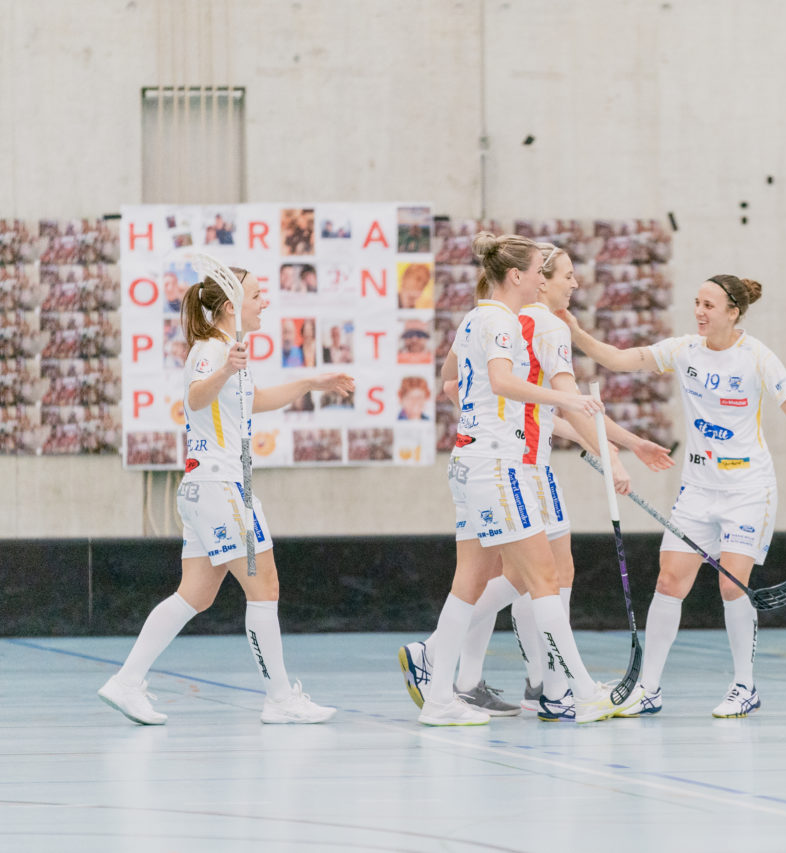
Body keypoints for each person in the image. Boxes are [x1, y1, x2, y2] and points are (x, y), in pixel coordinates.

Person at [400, 242, 673, 722]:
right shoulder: (513, 322)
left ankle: (442, 690)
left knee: (474, 580)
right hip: (504, 465)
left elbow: (449, 380)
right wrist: (575, 415)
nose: (570, 282)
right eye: (558, 273)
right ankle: (572, 690)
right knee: (544, 578)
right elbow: (515, 386)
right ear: (524, 277)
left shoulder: (473, 319)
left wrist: (612, 441)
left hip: (471, 461)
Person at [557, 274, 786, 718]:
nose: (700, 312)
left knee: (733, 585)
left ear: (733, 312)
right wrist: (576, 334)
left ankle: (744, 685)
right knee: (669, 581)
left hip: (748, 489)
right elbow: (616, 359)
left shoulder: (758, 357)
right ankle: (648, 688)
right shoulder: (683, 350)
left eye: (710, 305)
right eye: (697, 303)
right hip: (698, 488)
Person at [97, 266, 355, 726]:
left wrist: (312, 383)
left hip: (206, 491)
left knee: (194, 594)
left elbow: (253, 399)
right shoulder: (211, 350)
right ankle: (279, 698)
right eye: (258, 295)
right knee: (265, 587)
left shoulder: (227, 354)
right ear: (231, 306)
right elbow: (196, 398)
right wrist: (223, 369)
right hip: (223, 490)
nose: (265, 303)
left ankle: (126, 681)